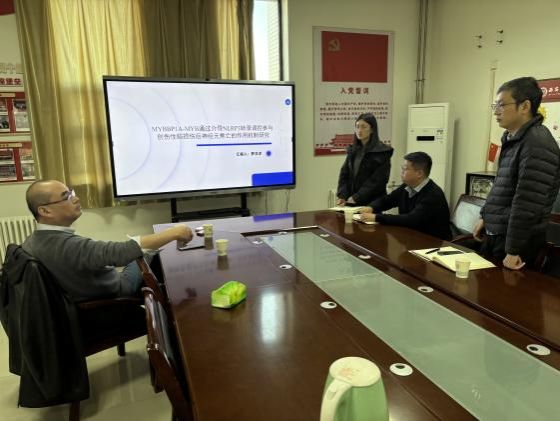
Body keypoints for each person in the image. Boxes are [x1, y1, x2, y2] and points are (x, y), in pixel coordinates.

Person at [22, 179, 193, 301]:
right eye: (66, 196)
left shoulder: (34, 241)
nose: (76, 199)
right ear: (45, 211)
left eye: (71, 193)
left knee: (148, 251)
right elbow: (120, 253)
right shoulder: (65, 245)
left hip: (97, 286)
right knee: (150, 255)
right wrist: (173, 233)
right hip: (116, 292)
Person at [473, 77, 560, 270]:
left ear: (525, 106)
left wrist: (513, 250)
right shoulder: (513, 138)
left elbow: (527, 203)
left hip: (515, 241)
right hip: (498, 232)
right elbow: (500, 186)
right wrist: (485, 216)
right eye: (495, 105)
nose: (496, 111)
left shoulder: (537, 143)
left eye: (502, 105)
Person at [358, 151, 451, 240]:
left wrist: (376, 217)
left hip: (433, 243)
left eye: (405, 169)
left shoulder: (433, 194)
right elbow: (387, 200)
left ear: (419, 173)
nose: (402, 172)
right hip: (412, 237)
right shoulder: (407, 186)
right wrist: (371, 207)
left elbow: (411, 220)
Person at [336, 113, 393, 206]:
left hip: (372, 202)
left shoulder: (382, 151)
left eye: (364, 127)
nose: (359, 130)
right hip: (352, 200)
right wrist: (342, 195)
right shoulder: (353, 150)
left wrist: (357, 197)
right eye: (357, 127)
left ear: (372, 129)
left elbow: (378, 181)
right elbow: (344, 174)